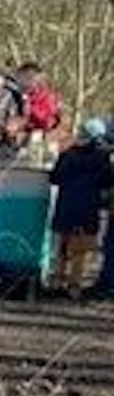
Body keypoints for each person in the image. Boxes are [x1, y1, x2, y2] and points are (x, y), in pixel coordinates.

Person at [50, 117, 113, 298]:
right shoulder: (102, 159)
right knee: (81, 251)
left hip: (65, 206)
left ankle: (57, 282)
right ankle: (74, 286)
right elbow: (107, 181)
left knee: (62, 247)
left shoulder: (66, 155)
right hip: (88, 208)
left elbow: (54, 178)